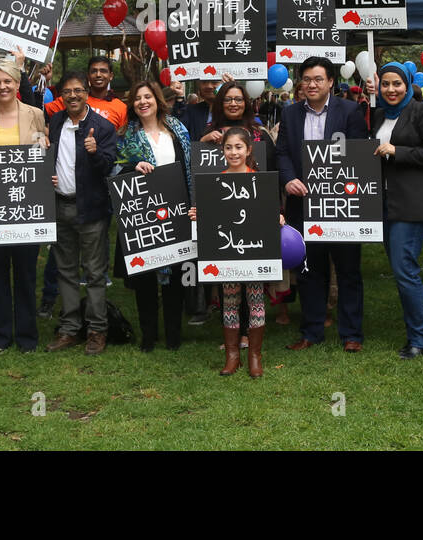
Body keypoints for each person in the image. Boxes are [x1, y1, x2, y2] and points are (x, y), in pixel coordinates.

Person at [276, 57, 369, 352]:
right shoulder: (289, 114)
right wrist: (289, 179)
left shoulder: (351, 111)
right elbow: (281, 153)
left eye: (318, 79)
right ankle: (311, 331)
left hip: (341, 206)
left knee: (348, 269)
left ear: (331, 82)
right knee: (308, 270)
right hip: (302, 204)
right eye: (307, 79)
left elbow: (359, 155)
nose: (311, 84)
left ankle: (351, 333)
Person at [0, 57, 48, 354]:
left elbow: (41, 153)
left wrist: (43, 154)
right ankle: (0, 336)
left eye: (7, 81)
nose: (2, 86)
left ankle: (27, 337)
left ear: (17, 84)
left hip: (27, 204)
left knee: (26, 272)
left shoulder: (35, 114)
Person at [368, 62, 423, 359]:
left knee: (404, 269)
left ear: (408, 84)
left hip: (413, 203)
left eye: (397, 84)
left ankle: (422, 338)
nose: (391, 89)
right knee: (401, 268)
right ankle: (417, 332)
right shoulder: (376, 115)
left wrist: (397, 151)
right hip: (385, 202)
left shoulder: (422, 112)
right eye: (385, 84)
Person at [198, 126, 286, 377]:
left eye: (238, 147)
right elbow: (211, 218)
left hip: (255, 253)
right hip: (227, 253)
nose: (233, 152)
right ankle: (232, 355)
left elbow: (274, 210)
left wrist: (278, 217)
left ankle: (255, 356)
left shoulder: (261, 180)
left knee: (256, 301)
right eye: (228, 147)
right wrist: (199, 214)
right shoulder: (215, 183)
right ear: (222, 150)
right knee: (230, 302)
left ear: (248, 150)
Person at [115, 80, 194, 351]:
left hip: (175, 209)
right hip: (144, 213)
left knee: (176, 276)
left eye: (147, 96)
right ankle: (148, 336)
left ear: (157, 99)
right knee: (144, 278)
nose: (143, 102)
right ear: (133, 104)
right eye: (137, 98)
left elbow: (189, 167)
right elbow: (116, 171)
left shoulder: (178, 129)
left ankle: (173, 335)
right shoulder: (127, 135)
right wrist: (132, 166)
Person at [45, 72, 118, 355]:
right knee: (65, 271)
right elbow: (53, 157)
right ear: (61, 96)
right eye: (67, 91)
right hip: (59, 205)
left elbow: (108, 166)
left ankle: (97, 330)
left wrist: (95, 151)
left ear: (87, 92)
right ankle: (69, 329)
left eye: (78, 90)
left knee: (95, 273)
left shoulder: (102, 127)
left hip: (91, 210)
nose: (72, 95)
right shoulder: (55, 122)